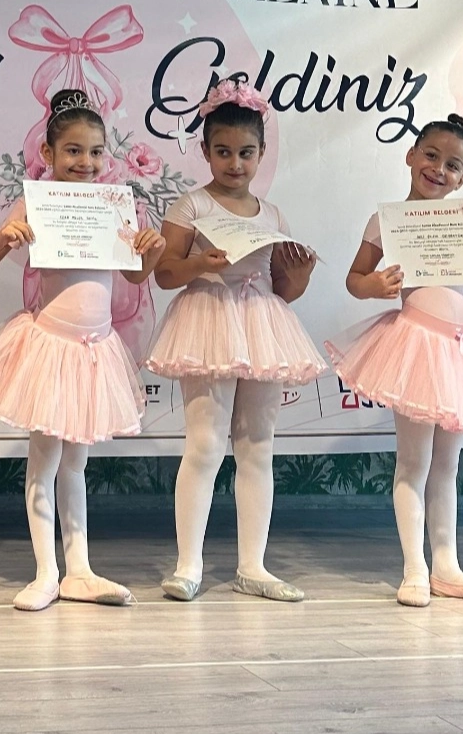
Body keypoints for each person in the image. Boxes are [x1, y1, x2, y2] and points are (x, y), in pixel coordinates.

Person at [0, 88, 165, 610]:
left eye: (95, 152)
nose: (86, 162)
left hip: (95, 350)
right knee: (45, 459)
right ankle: (45, 572)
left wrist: (151, 251)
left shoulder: (115, 205)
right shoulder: (36, 201)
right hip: (50, 346)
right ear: (48, 153)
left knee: (76, 463)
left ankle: (80, 569)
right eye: (73, 150)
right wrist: (5, 237)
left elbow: (134, 274)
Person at [335, 115, 463, 607]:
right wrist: (374, 285)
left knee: (447, 466)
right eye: (431, 155)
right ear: (410, 155)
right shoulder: (388, 221)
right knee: (414, 462)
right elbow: (355, 279)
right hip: (417, 345)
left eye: (452, 165)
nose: (438, 169)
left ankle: (447, 566)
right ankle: (415, 568)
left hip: (461, 349)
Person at [145, 80, 324, 603]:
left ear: (261, 153)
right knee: (204, 444)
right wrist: (200, 262)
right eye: (222, 152)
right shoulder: (191, 206)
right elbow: (165, 274)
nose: (235, 163)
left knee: (257, 446)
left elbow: (282, 288)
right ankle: (188, 565)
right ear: (205, 151)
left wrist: (300, 275)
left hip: (262, 323)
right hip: (208, 319)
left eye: (246, 153)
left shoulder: (272, 214)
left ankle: (253, 566)